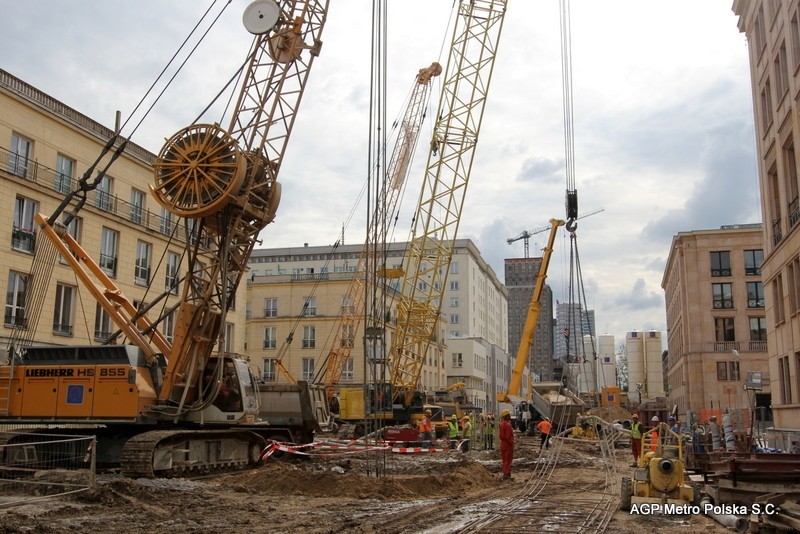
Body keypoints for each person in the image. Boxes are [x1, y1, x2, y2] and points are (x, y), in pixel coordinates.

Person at [499, 409, 515, 480]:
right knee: (508, 459)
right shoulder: (508, 425)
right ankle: (506, 474)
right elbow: (508, 436)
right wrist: (512, 443)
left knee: (504, 459)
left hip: (503, 443)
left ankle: (506, 473)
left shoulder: (502, 424)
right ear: (507, 416)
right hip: (507, 444)